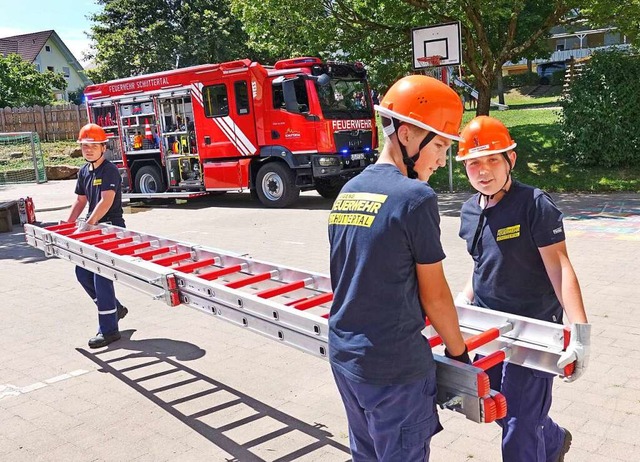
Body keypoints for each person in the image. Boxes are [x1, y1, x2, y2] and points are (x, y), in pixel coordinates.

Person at [328, 75, 470, 461]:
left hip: (346, 357)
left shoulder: (348, 192)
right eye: (440, 145)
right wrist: (459, 355)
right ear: (406, 134)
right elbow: (436, 297)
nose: (443, 160)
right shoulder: (415, 198)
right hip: (394, 371)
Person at [455, 116, 591, 462]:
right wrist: (461, 302)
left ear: (510, 160)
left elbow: (560, 267)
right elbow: (483, 264)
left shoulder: (534, 204)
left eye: (492, 160)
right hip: (488, 330)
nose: (483, 171)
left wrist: (580, 334)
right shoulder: (470, 210)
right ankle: (555, 439)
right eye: (474, 163)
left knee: (518, 427)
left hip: (534, 331)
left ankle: (541, 444)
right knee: (498, 405)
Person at [65, 123, 128, 348]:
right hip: (93, 230)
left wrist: (89, 224)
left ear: (104, 147)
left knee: (101, 277)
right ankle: (115, 309)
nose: (88, 150)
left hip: (110, 229)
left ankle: (109, 330)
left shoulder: (109, 170)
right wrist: (67, 224)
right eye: (84, 146)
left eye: (93, 145)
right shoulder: (84, 171)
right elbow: (81, 200)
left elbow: (106, 200)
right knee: (82, 273)